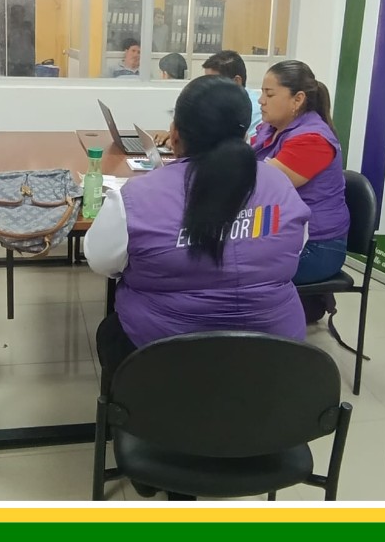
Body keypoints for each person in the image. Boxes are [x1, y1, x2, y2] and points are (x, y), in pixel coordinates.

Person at [85, 74, 310, 386]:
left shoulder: (135, 198)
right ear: (245, 133)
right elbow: (296, 246)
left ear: (175, 133)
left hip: (164, 357)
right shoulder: (280, 185)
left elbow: (100, 261)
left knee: (110, 332)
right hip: (275, 357)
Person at [253, 60, 349, 286]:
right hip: (280, 235)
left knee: (233, 272)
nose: (261, 100)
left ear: (298, 99)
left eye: (269, 94)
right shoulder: (271, 129)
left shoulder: (312, 140)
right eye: (262, 93)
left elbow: (263, 187)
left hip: (316, 247)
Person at [202, 50, 262, 139]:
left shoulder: (256, 111)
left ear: (236, 82)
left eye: (213, 82)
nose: (208, 88)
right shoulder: (215, 103)